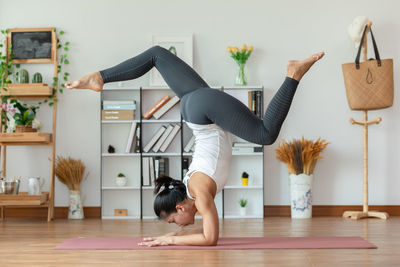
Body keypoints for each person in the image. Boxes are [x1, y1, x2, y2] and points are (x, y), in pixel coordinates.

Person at [66, 45, 324, 247]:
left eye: (173, 221)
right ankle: (100, 77)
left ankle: (293, 74)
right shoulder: (192, 187)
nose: (177, 226)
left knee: (265, 134)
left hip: (203, 113)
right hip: (193, 107)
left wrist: (171, 241)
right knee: (157, 55)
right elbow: (208, 236)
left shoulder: (200, 193)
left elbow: (210, 239)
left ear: (180, 208)